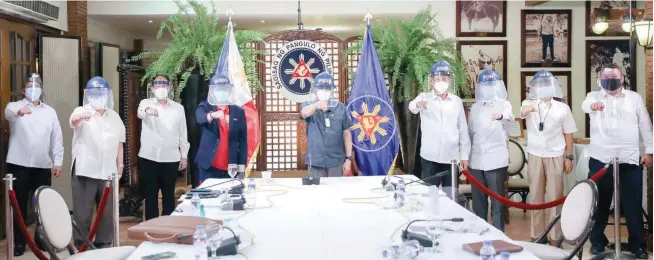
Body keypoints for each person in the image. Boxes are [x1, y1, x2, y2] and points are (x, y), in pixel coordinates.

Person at [582, 63, 652, 258]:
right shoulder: (593, 96)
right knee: (600, 203)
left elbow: (646, 125)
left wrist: (650, 151)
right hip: (600, 160)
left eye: (614, 76)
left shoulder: (634, 98)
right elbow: (585, 106)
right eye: (606, 77)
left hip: (629, 159)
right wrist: (593, 106)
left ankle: (637, 244)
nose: (610, 80)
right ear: (600, 79)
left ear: (622, 78)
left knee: (632, 204)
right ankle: (597, 241)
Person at [4, 73, 63, 256]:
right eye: (30, 87)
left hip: (42, 164)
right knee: (18, 205)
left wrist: (58, 161)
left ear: (41, 89)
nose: (33, 90)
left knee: (42, 205)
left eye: (37, 87)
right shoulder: (14, 106)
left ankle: (41, 239)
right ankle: (19, 243)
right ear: (24, 90)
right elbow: (8, 114)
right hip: (18, 164)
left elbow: (57, 138)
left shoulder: (50, 111)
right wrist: (20, 112)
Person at [520, 70, 576, 244]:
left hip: (556, 154)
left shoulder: (562, 108)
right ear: (535, 87)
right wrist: (528, 109)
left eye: (547, 85)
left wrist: (569, 157)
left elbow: (568, 134)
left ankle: (555, 236)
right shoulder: (528, 103)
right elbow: (522, 112)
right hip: (535, 154)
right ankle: (537, 235)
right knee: (535, 196)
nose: (543, 88)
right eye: (540, 85)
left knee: (555, 197)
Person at [69, 76, 125, 248]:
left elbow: (119, 144)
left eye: (101, 93)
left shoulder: (114, 117)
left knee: (107, 213)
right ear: (88, 95)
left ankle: (103, 243)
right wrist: (81, 117)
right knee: (83, 213)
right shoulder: (81, 111)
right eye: (94, 94)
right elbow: (74, 121)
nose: (98, 97)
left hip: (108, 171)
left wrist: (120, 167)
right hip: (85, 170)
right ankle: (81, 245)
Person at [409, 61, 470, 187]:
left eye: (444, 78)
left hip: (451, 157)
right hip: (429, 156)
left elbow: (463, 129)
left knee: (451, 195)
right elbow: (412, 107)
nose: (440, 82)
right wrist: (418, 104)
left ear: (449, 81)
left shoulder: (456, 101)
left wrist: (464, 156)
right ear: (431, 81)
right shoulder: (424, 97)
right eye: (436, 79)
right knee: (431, 196)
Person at [137, 75, 189, 220]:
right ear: (152, 88)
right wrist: (148, 111)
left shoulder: (178, 108)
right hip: (149, 158)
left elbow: (182, 133)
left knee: (168, 196)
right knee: (151, 195)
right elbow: (140, 113)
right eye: (157, 85)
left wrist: (184, 155)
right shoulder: (145, 103)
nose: (161, 88)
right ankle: (151, 227)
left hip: (170, 158)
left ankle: (168, 225)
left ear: (169, 87)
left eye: (164, 85)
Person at [468, 69, 513, 231]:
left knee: (497, 204)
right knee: (479, 204)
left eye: (491, 85)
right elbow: (470, 133)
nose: (488, 88)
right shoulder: (475, 108)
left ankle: (498, 236)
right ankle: (480, 234)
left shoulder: (504, 104)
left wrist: (501, 116)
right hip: (476, 161)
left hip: (496, 160)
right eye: (484, 85)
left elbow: (510, 121)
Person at [195, 74, 248, 182]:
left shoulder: (238, 111)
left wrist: (241, 168)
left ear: (229, 91)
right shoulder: (206, 106)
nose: (222, 92)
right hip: (209, 166)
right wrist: (212, 115)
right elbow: (200, 118)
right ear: (212, 90)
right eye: (218, 89)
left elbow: (243, 141)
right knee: (208, 197)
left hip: (230, 167)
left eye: (225, 89)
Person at [300, 72, 353, 177]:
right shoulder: (308, 105)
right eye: (321, 89)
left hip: (336, 160)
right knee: (315, 191)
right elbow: (304, 113)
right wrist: (316, 105)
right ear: (315, 90)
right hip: (315, 160)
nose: (324, 91)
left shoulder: (340, 107)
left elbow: (347, 133)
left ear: (332, 90)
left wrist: (348, 159)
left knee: (336, 190)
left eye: (327, 89)